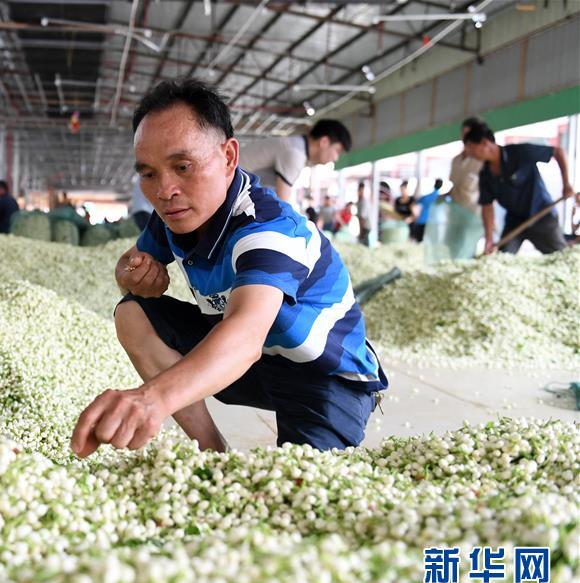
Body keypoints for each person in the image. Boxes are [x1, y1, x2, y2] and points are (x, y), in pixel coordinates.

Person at [70, 79, 386, 459]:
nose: (165, 190)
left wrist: (152, 399)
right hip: (255, 366)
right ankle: (213, 454)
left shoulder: (268, 229)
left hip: (323, 377)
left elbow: (246, 335)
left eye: (182, 166)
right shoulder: (174, 216)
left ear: (229, 157)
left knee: (296, 485)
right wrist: (131, 276)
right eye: (149, 174)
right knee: (132, 313)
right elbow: (128, 263)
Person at [463, 122, 574, 255]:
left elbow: (558, 152)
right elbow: (487, 207)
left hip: (541, 214)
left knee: (559, 256)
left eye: (471, 148)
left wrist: (566, 184)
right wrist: (489, 239)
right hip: (515, 221)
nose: (469, 153)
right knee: (502, 258)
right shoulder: (485, 175)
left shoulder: (520, 152)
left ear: (484, 143)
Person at [239, 119, 352, 203]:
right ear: (324, 142)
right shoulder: (295, 153)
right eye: (338, 151)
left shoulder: (296, 145)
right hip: (232, 189)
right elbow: (281, 205)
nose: (336, 158)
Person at [450, 117, 484, 215]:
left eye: (469, 134)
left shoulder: (483, 160)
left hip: (477, 215)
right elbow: (455, 187)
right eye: (463, 134)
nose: (465, 138)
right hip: (456, 215)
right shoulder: (456, 160)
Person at [411, 178, 444, 242]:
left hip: (422, 220)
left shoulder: (426, 197)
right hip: (435, 222)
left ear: (434, 184)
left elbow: (415, 203)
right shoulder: (441, 199)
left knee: (418, 240)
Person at [356, 181, 371, 246]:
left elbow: (362, 218)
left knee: (365, 244)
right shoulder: (359, 201)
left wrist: (361, 231)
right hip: (363, 226)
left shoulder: (364, 202)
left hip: (365, 226)